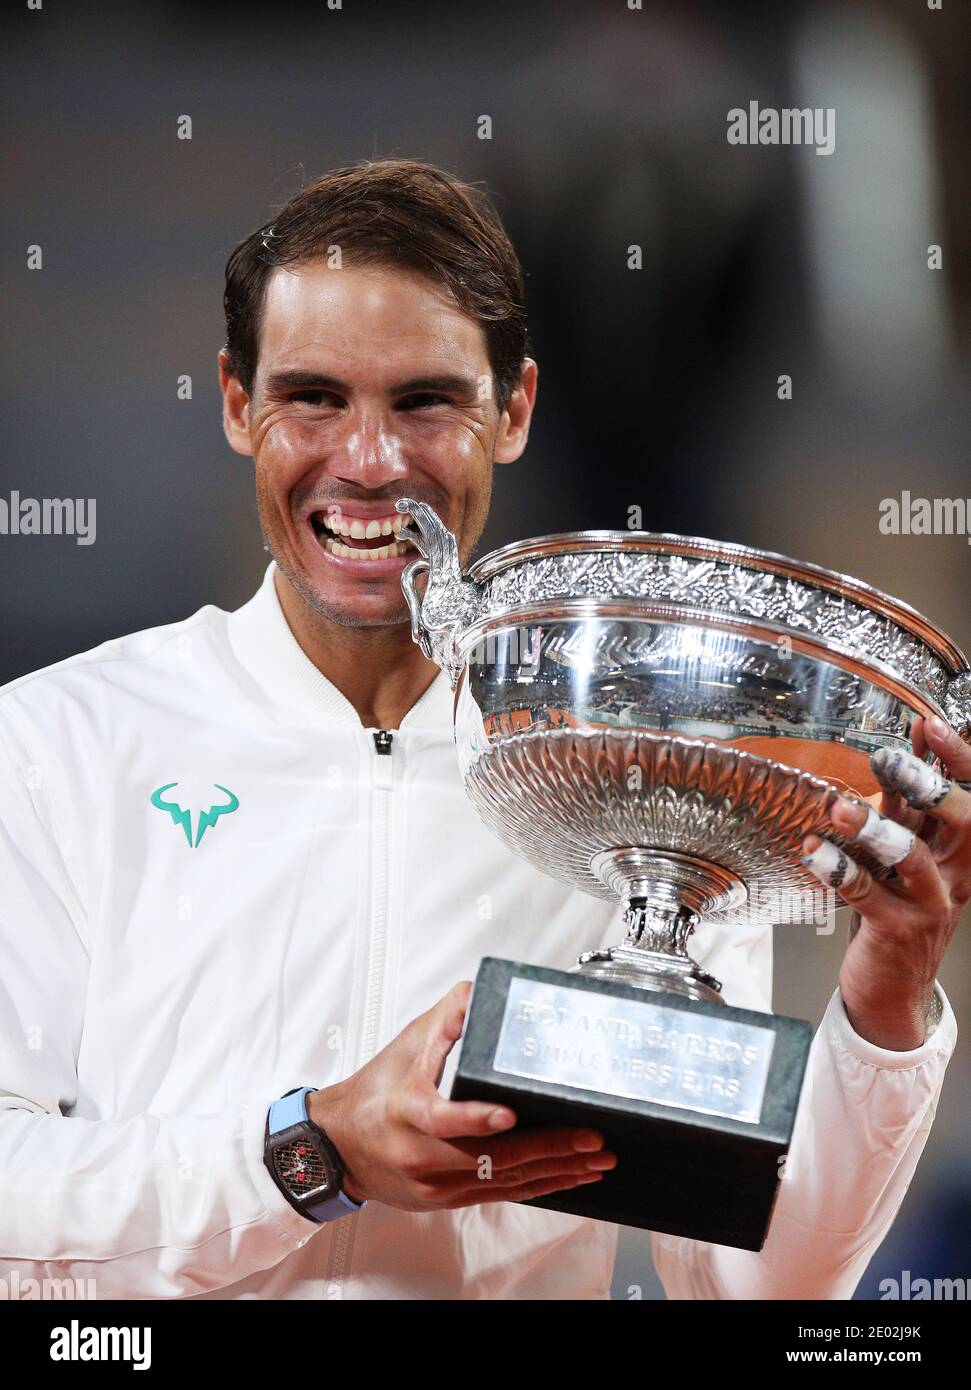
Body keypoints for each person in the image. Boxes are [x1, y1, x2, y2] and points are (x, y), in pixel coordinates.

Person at [0, 159, 965, 1300]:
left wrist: (889, 996)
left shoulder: (638, 782)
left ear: (511, 412)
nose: (367, 464)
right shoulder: (56, 744)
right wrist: (305, 1152)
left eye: (424, 402)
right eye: (312, 396)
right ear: (233, 401)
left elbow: (750, 1284)